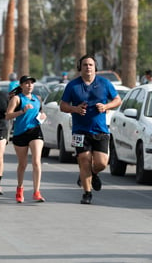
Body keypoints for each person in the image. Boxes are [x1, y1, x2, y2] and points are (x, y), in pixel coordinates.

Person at [60, 54, 121, 204]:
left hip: (100, 130)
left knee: (101, 163)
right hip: (80, 130)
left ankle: (92, 174)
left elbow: (118, 100)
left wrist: (106, 106)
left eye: (90, 65)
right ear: (80, 68)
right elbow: (63, 105)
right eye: (85, 64)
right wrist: (75, 109)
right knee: (84, 160)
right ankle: (87, 194)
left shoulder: (104, 83)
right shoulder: (72, 85)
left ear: (95, 68)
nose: (88, 67)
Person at [5, 75, 47, 203]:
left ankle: (37, 191)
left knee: (36, 161)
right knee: (22, 164)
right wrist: (22, 111)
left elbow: (40, 112)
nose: (30, 85)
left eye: (31, 83)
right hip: (20, 133)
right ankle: (20, 188)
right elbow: (8, 115)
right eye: (27, 83)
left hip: (35, 131)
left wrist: (43, 115)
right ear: (22, 85)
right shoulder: (17, 99)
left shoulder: (37, 99)